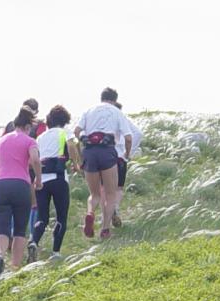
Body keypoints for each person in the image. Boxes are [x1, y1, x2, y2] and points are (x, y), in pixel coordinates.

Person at [0, 106, 42, 279]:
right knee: (20, 230)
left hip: (1, 186)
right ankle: (15, 269)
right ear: (28, 127)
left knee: (2, 229)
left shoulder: (2, 140)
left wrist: (0, 174)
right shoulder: (30, 141)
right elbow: (35, 160)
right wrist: (38, 178)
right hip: (21, 185)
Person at [75, 87, 133, 240]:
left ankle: (90, 213)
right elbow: (128, 137)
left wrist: (81, 152)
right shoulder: (116, 112)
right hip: (107, 152)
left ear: (101, 98)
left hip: (89, 151)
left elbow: (76, 131)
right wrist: (127, 153)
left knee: (94, 194)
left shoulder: (88, 111)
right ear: (114, 100)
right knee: (110, 194)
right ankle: (105, 229)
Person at [30, 104, 81, 260]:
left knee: (42, 218)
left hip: (41, 179)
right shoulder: (64, 132)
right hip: (58, 177)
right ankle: (56, 253)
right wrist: (75, 163)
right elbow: (72, 145)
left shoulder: (41, 137)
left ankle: (33, 242)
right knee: (61, 217)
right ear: (65, 120)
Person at [110, 100, 141, 228]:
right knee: (119, 188)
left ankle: (106, 216)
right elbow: (138, 134)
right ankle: (115, 208)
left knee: (105, 189)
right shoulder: (123, 120)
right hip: (120, 158)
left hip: (105, 157)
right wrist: (128, 153)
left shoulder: (103, 121)